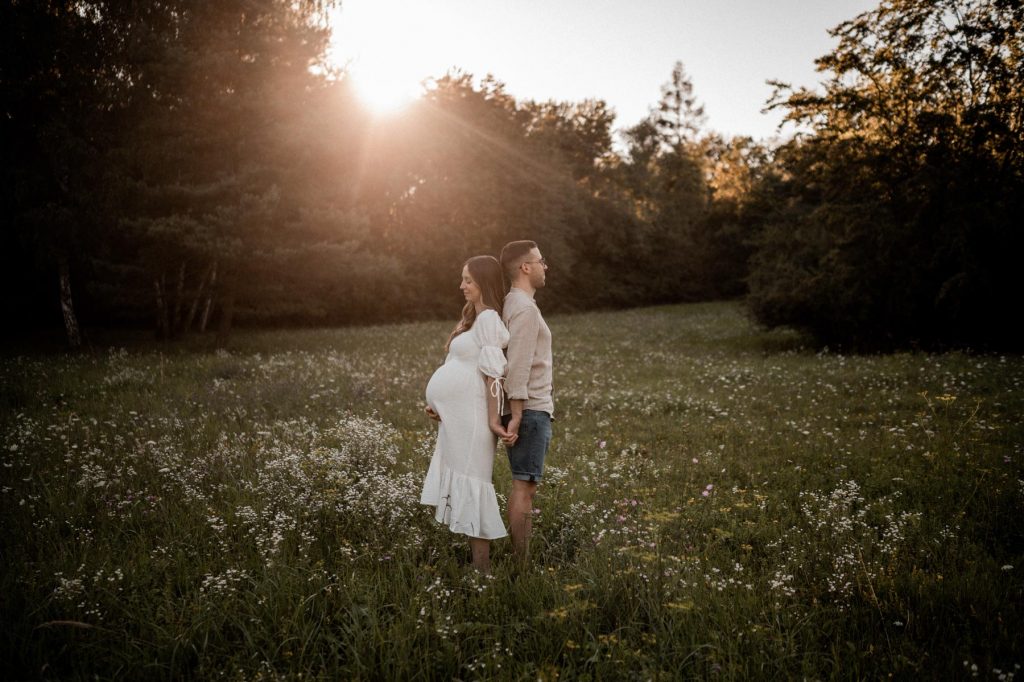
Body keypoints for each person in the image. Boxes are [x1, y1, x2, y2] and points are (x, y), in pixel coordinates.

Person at [420, 255, 512, 573]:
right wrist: (440, 406)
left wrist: (492, 419)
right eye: (462, 279)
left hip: (474, 421)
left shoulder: (488, 319)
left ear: (483, 282)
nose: (462, 285)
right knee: (468, 485)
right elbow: (460, 367)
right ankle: (478, 569)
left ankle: (482, 573)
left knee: (474, 485)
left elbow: (492, 377)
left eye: (468, 280)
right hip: (458, 419)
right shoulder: (474, 318)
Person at [498, 240, 553, 563]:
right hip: (530, 408)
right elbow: (517, 363)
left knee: (524, 484)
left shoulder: (514, 304)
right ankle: (522, 563)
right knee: (524, 488)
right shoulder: (524, 308)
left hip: (529, 407)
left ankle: (520, 558)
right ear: (526, 267)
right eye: (541, 261)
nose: (545, 267)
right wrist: (516, 412)